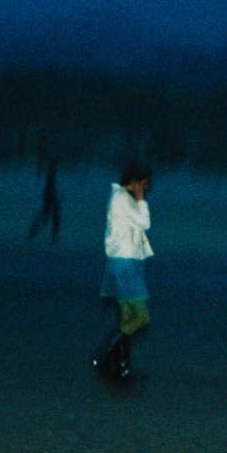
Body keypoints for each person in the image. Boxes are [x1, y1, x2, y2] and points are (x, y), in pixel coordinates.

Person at [95, 162, 154, 379]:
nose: (146, 188)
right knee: (141, 317)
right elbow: (144, 223)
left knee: (127, 317)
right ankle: (105, 353)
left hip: (123, 262)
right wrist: (141, 201)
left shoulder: (122, 198)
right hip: (125, 263)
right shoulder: (122, 200)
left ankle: (120, 366)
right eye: (144, 184)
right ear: (135, 182)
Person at [28, 156, 61, 244]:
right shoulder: (51, 170)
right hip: (50, 194)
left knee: (49, 215)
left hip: (49, 193)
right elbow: (50, 183)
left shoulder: (51, 170)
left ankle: (34, 231)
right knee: (50, 215)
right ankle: (53, 236)